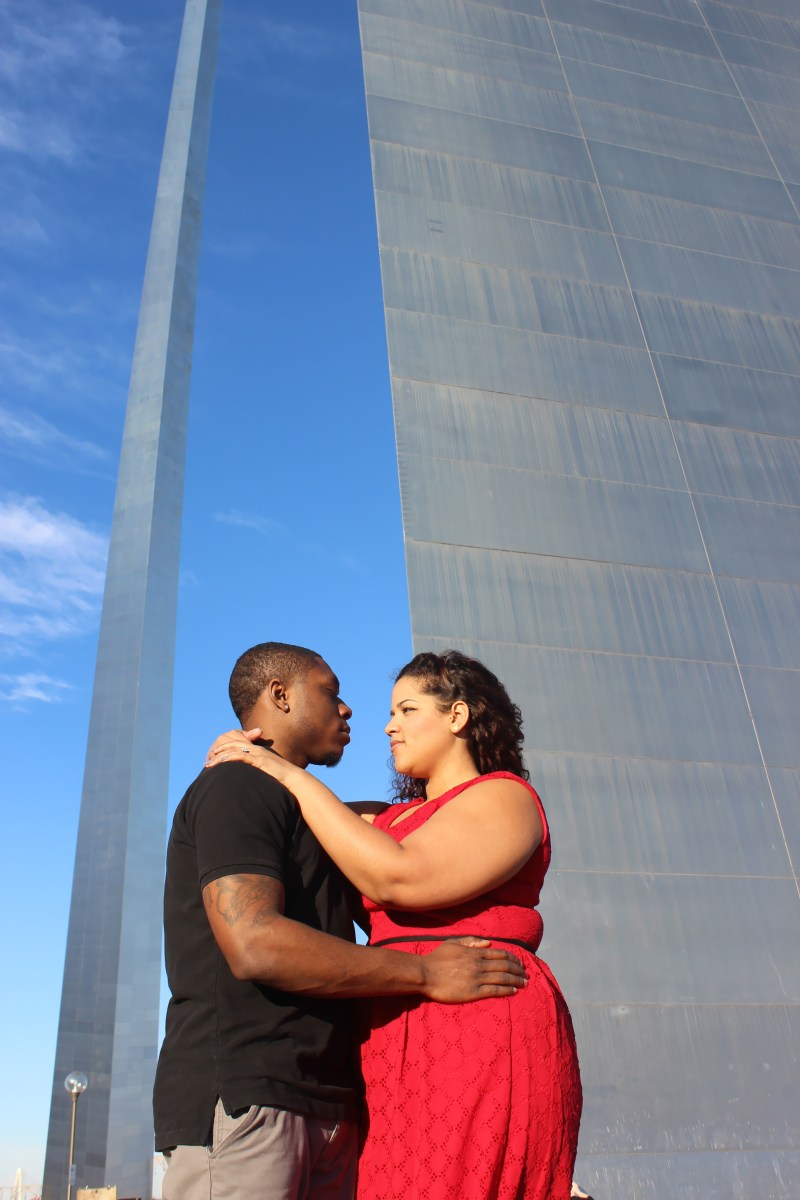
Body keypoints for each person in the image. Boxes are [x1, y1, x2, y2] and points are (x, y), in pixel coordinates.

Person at [153, 642, 527, 1200]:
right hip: (248, 1096)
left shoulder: (314, 811)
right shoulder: (237, 786)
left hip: (332, 1101)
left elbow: (401, 833)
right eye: (330, 692)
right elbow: (255, 943)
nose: (351, 709)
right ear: (280, 696)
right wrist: (425, 973)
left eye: (405, 710)